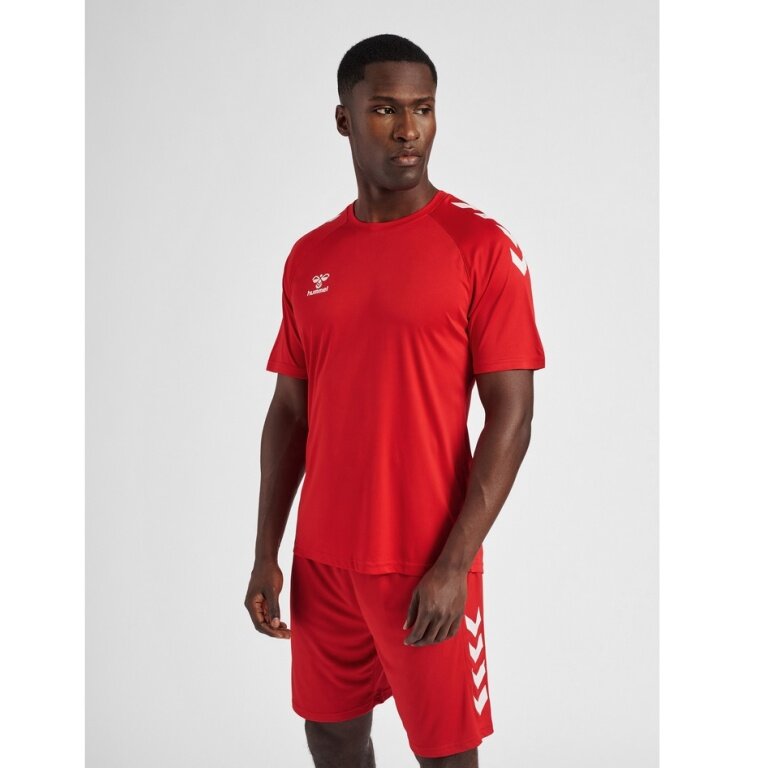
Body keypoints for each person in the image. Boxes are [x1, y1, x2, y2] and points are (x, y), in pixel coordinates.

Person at [244, 33, 546, 768]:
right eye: (384, 109)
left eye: (423, 108)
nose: (408, 129)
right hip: (323, 560)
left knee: (446, 755)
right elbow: (290, 413)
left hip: (424, 558)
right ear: (344, 119)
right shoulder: (310, 257)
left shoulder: (480, 247)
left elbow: (512, 415)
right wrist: (265, 553)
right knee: (331, 735)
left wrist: (454, 564)